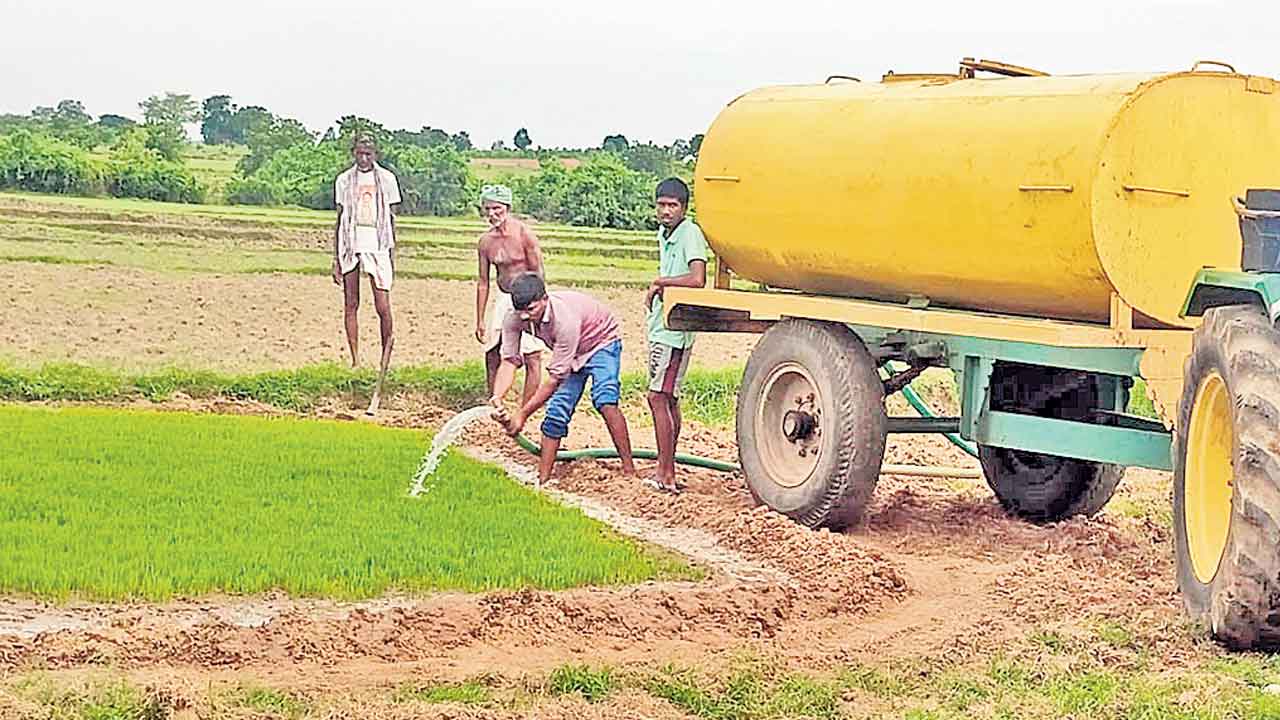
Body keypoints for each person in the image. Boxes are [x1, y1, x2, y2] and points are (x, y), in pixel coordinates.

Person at [489, 273, 636, 486]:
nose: (525, 316)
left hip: (600, 342)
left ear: (544, 299)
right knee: (557, 411)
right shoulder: (514, 318)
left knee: (605, 399)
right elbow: (509, 361)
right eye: (520, 310)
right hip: (570, 353)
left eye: (531, 309)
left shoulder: (564, 320)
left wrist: (522, 414)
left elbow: (554, 378)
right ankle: (544, 480)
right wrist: (498, 398)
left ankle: (629, 471)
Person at [644, 178, 708, 493]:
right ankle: (666, 471)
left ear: (684, 208)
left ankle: (665, 474)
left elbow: (698, 279)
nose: (666, 211)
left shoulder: (690, 233)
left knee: (658, 397)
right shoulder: (664, 233)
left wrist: (661, 282)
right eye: (661, 205)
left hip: (676, 332)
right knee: (667, 398)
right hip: (661, 326)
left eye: (673, 206)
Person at [332, 136, 402, 416]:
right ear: (353, 153)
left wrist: (392, 251)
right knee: (351, 303)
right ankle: (356, 359)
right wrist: (335, 257)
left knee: (382, 306)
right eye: (360, 154)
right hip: (350, 241)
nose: (364, 159)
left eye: (369, 154)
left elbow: (392, 218)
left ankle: (386, 354)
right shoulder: (343, 181)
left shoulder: (386, 179)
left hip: (378, 244)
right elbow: (339, 218)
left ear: (375, 154)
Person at [475, 184, 546, 407]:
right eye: (487, 209)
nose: (491, 214)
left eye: (496, 208)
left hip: (527, 299)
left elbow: (538, 273)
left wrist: (536, 306)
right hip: (504, 297)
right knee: (493, 352)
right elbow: (483, 281)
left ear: (507, 207)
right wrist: (479, 319)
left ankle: (527, 409)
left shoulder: (525, 235)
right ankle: (494, 403)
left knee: (532, 356)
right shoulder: (486, 242)